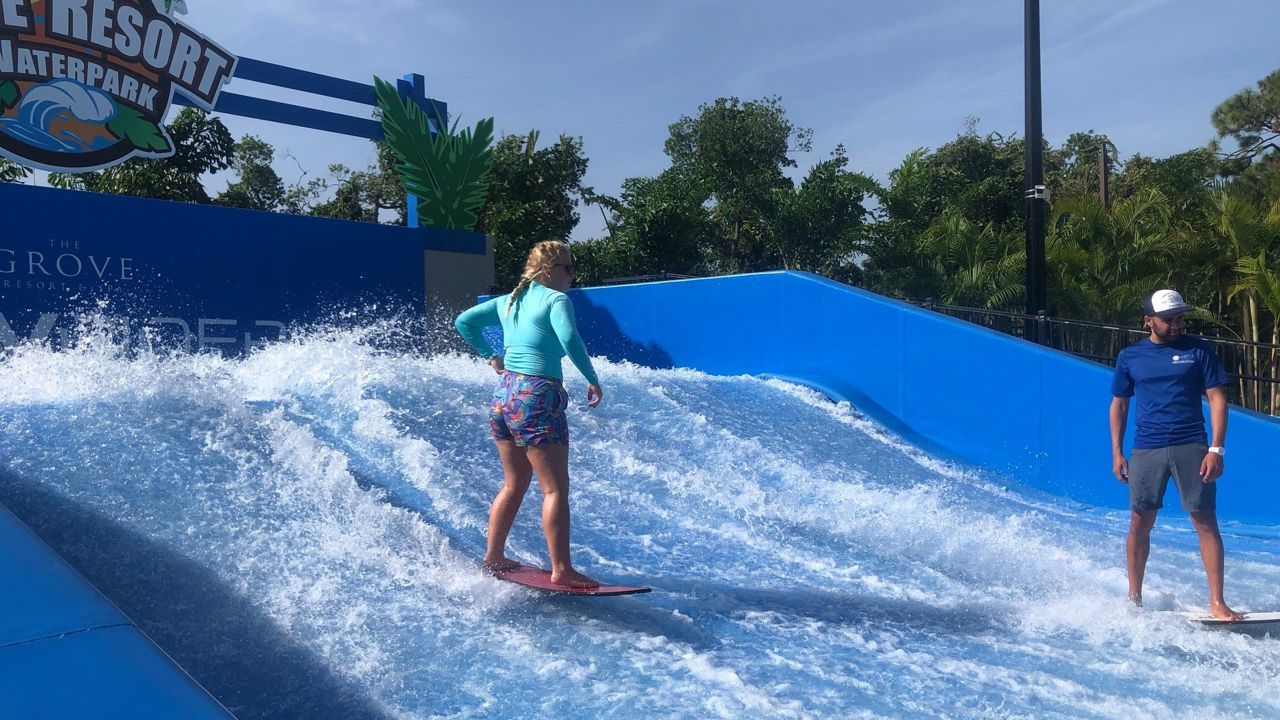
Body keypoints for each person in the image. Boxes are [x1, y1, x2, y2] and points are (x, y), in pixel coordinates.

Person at [454, 240, 603, 588]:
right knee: (554, 490)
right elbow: (569, 339)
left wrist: (490, 355)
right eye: (568, 267)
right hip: (537, 394)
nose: (572, 274)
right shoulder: (556, 300)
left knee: (514, 483)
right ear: (549, 269)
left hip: (505, 394)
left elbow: (464, 322)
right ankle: (562, 569)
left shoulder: (510, 300)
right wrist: (592, 379)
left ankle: (493, 557)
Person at [1109, 289, 1243, 620]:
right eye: (1168, 319)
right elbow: (1119, 404)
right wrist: (1117, 452)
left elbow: (1217, 399)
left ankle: (1217, 602)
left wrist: (1216, 448)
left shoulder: (1198, 350)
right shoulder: (1130, 357)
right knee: (1140, 522)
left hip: (1192, 446)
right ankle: (1134, 599)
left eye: (1180, 317)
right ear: (1148, 321)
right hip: (1147, 448)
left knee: (1205, 521)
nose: (1176, 324)